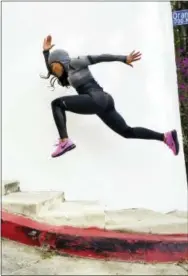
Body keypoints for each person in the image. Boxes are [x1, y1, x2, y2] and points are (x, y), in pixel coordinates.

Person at [41, 35, 179, 158]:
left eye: (53, 66)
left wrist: (123, 58)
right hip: (104, 102)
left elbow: (100, 57)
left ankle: (64, 141)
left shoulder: (75, 62)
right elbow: (49, 68)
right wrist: (45, 52)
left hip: (97, 99)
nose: (52, 70)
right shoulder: (68, 76)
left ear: (61, 61)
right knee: (126, 132)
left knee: (56, 104)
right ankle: (165, 137)